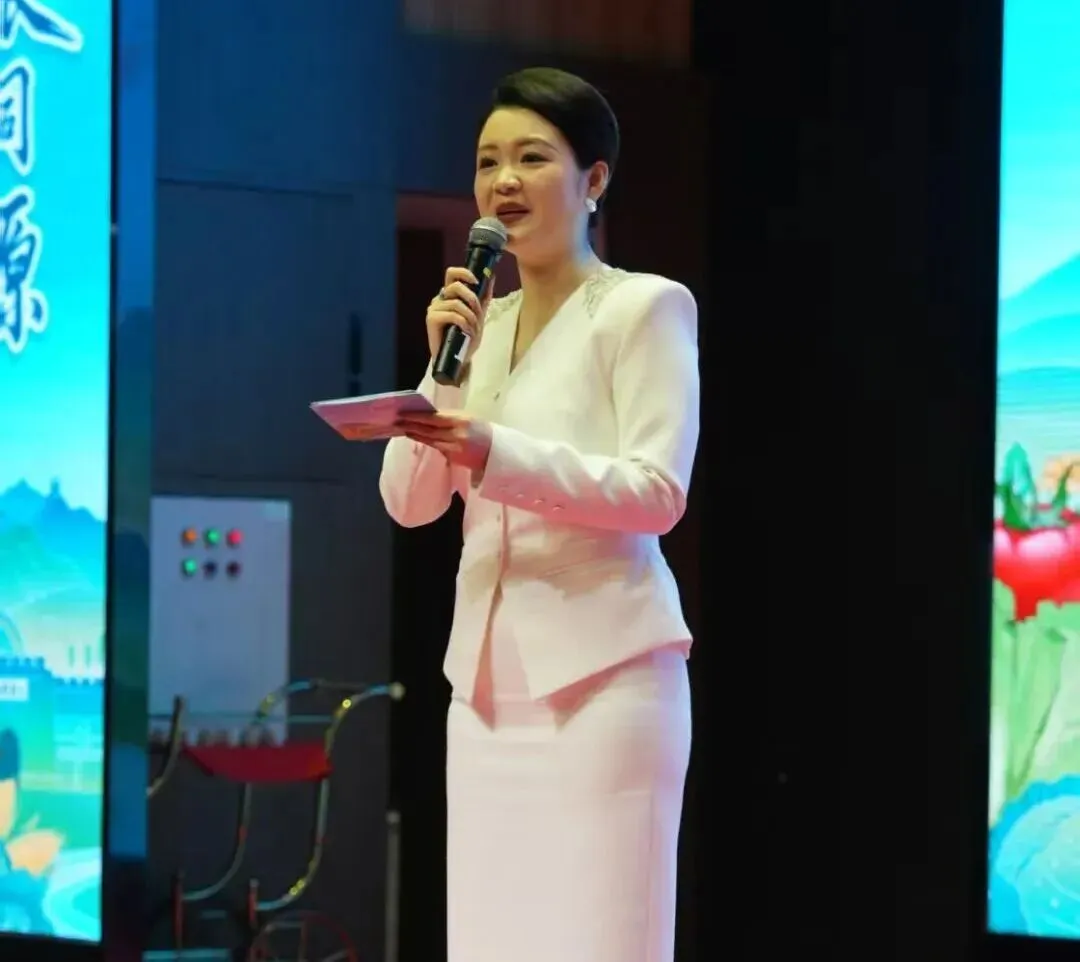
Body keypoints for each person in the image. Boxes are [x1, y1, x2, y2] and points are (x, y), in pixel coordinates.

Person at [379, 66, 699, 962]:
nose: (504, 182)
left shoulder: (643, 308)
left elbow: (657, 491)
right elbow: (408, 502)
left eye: (531, 158)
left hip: (605, 683)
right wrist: (443, 369)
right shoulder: (478, 325)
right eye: (488, 162)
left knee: (599, 939)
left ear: (593, 179)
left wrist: (497, 452)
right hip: (484, 695)